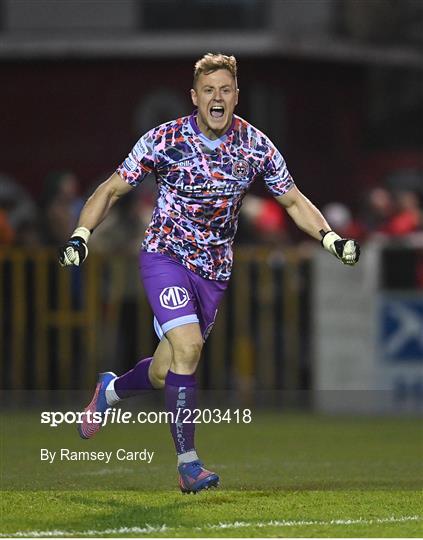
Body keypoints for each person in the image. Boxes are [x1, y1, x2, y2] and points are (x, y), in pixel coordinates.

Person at [58, 53, 360, 494]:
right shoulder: (165, 139)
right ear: (194, 97)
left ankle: (110, 391)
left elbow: (294, 201)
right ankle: (189, 465)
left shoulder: (255, 146)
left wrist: (331, 238)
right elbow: (111, 189)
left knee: (167, 369)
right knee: (190, 346)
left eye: (225, 90)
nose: (217, 98)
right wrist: (81, 233)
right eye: (209, 90)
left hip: (213, 272)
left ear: (236, 97)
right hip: (164, 255)